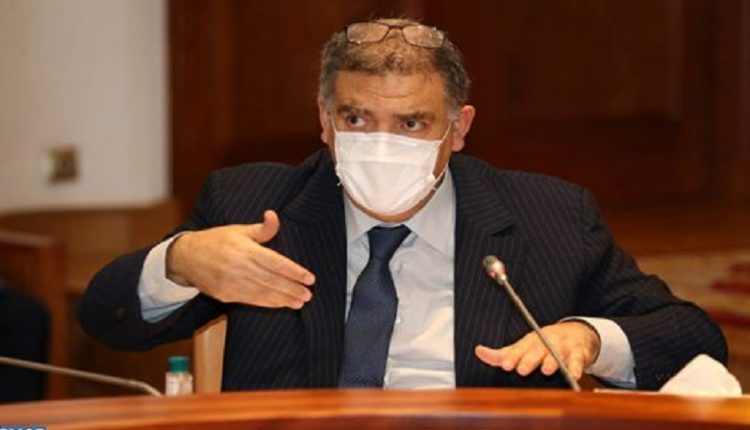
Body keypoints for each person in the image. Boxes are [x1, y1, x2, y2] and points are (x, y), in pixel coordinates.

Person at [80, 18, 727, 391]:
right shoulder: (255, 204)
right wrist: (181, 261)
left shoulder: (548, 216)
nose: (381, 143)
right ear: (324, 121)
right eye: (357, 119)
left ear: (460, 128)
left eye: (412, 123)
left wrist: (588, 337)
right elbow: (106, 319)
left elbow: (693, 336)